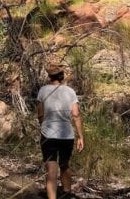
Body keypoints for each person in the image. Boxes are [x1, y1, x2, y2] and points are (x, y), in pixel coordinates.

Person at [36, 64, 84, 199]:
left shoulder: (43, 91)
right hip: (67, 135)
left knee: (51, 169)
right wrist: (80, 137)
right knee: (64, 164)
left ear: (50, 77)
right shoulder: (70, 92)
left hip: (48, 134)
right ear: (62, 77)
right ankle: (67, 193)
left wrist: (43, 125)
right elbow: (76, 114)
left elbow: (40, 114)